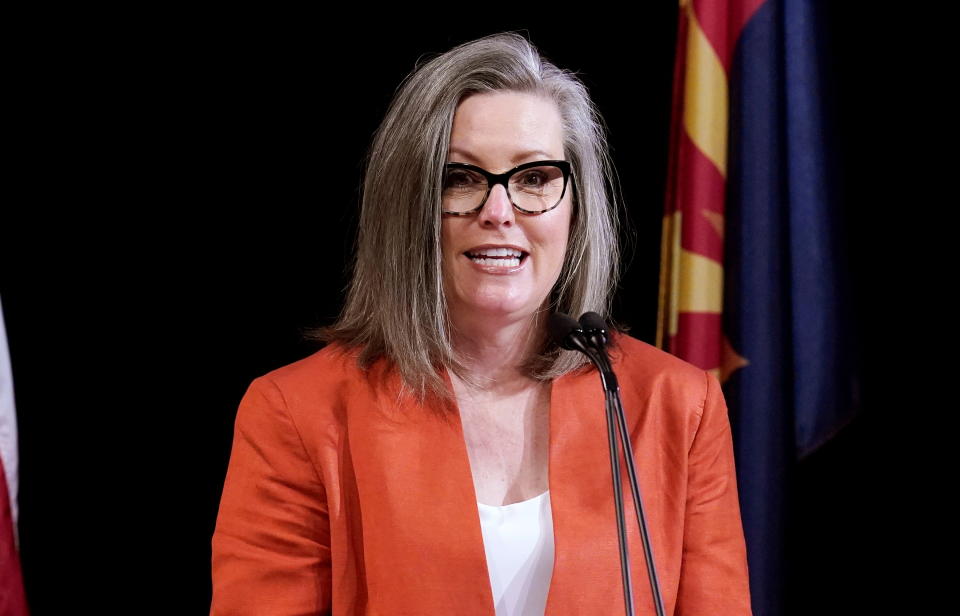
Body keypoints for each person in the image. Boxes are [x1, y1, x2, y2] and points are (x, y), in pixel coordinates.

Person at [210, 31, 752, 615]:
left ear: (576, 207)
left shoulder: (675, 404)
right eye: (460, 179)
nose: (499, 212)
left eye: (535, 178)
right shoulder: (297, 413)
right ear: (410, 206)